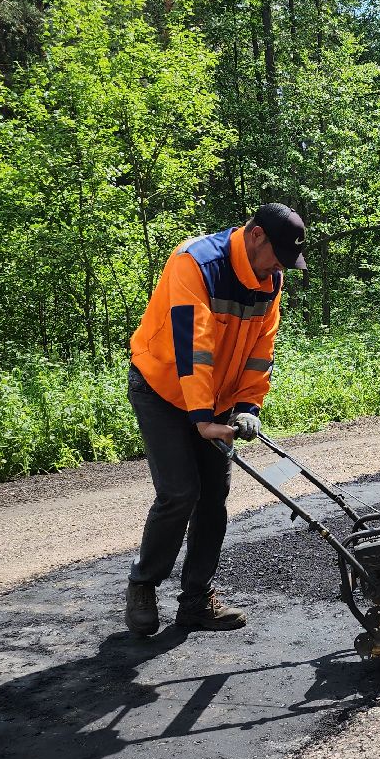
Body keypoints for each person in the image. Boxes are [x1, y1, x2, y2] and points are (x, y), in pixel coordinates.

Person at [123, 203, 307, 636]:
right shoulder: (196, 263)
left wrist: (247, 407)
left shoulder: (270, 281)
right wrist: (203, 419)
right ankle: (143, 584)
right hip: (163, 389)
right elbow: (194, 346)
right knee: (179, 492)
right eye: (277, 254)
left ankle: (196, 600)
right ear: (256, 235)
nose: (279, 267)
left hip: (215, 396)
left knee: (213, 497)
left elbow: (261, 351)